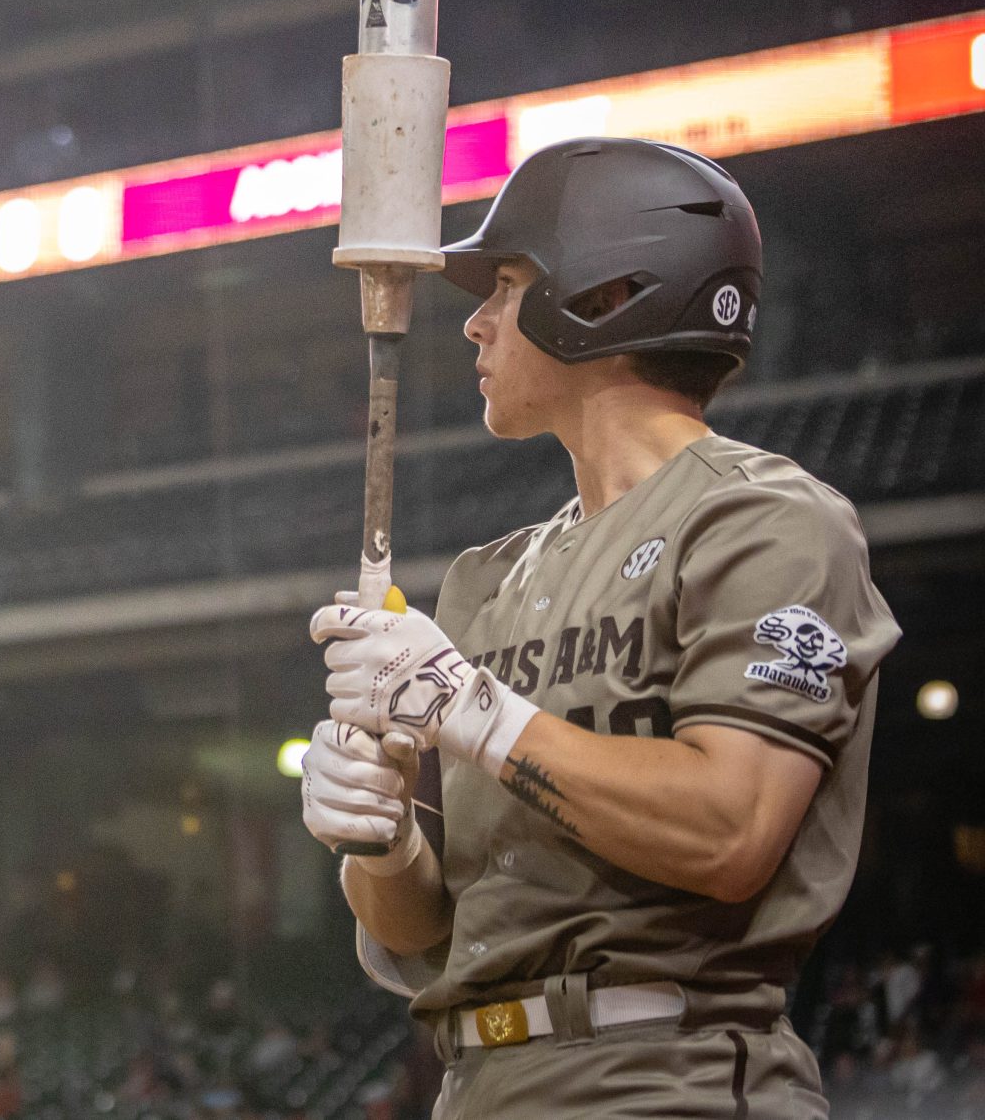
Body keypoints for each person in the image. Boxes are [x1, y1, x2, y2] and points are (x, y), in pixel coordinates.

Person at [298, 139, 900, 1116]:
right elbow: (420, 937)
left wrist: (472, 710)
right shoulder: (480, 580)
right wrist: (378, 837)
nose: (475, 324)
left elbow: (730, 830)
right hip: (477, 1082)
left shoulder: (764, 519)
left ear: (606, 292)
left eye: (502, 285)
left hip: (671, 1077)